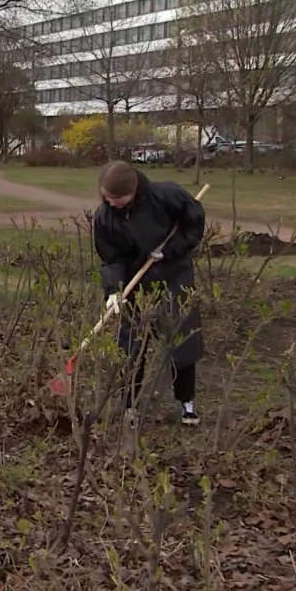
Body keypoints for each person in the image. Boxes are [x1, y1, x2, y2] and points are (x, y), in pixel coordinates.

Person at [92, 160, 205, 426]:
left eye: (117, 198)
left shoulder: (167, 196)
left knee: (182, 339)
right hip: (133, 280)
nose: (111, 204)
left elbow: (194, 225)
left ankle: (186, 403)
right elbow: (111, 257)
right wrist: (114, 290)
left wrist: (169, 250)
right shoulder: (104, 216)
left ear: (133, 191)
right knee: (129, 345)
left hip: (174, 276)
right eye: (106, 198)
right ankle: (129, 405)